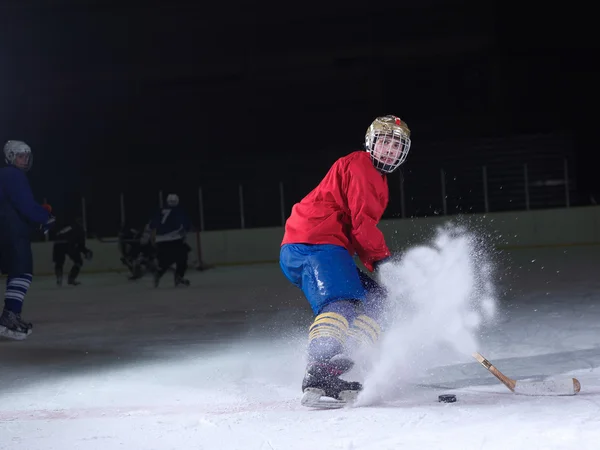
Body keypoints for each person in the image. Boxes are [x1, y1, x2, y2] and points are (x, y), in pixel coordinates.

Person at [279, 115, 412, 406]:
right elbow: (362, 225)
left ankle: (348, 356)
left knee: (378, 298)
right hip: (312, 242)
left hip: (330, 247)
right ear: (371, 144)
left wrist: (380, 263)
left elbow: (359, 229)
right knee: (341, 300)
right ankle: (319, 369)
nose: (390, 149)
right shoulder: (360, 165)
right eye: (385, 142)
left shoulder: (380, 180)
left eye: (396, 145)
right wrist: (383, 262)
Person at [0, 140, 54, 340]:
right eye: (20, 156)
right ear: (11, 157)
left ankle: (11, 314)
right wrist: (44, 217)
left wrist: (38, 216)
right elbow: (25, 205)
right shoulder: (13, 175)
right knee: (22, 272)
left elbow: (17, 207)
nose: (24, 160)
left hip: (8, 229)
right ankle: (9, 316)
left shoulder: (6, 176)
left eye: (26, 156)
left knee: (18, 272)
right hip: (10, 232)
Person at [149, 193, 191, 287]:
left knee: (166, 260)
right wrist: (183, 234)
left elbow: (153, 226)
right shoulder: (179, 210)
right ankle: (178, 277)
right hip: (174, 238)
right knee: (182, 257)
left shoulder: (160, 211)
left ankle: (159, 273)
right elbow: (186, 226)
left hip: (160, 239)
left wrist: (153, 238)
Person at [52, 217, 93, 286]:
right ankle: (71, 279)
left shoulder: (69, 227)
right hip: (68, 243)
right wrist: (86, 252)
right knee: (78, 261)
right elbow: (80, 246)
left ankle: (59, 278)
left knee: (59, 262)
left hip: (57, 243)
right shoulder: (80, 229)